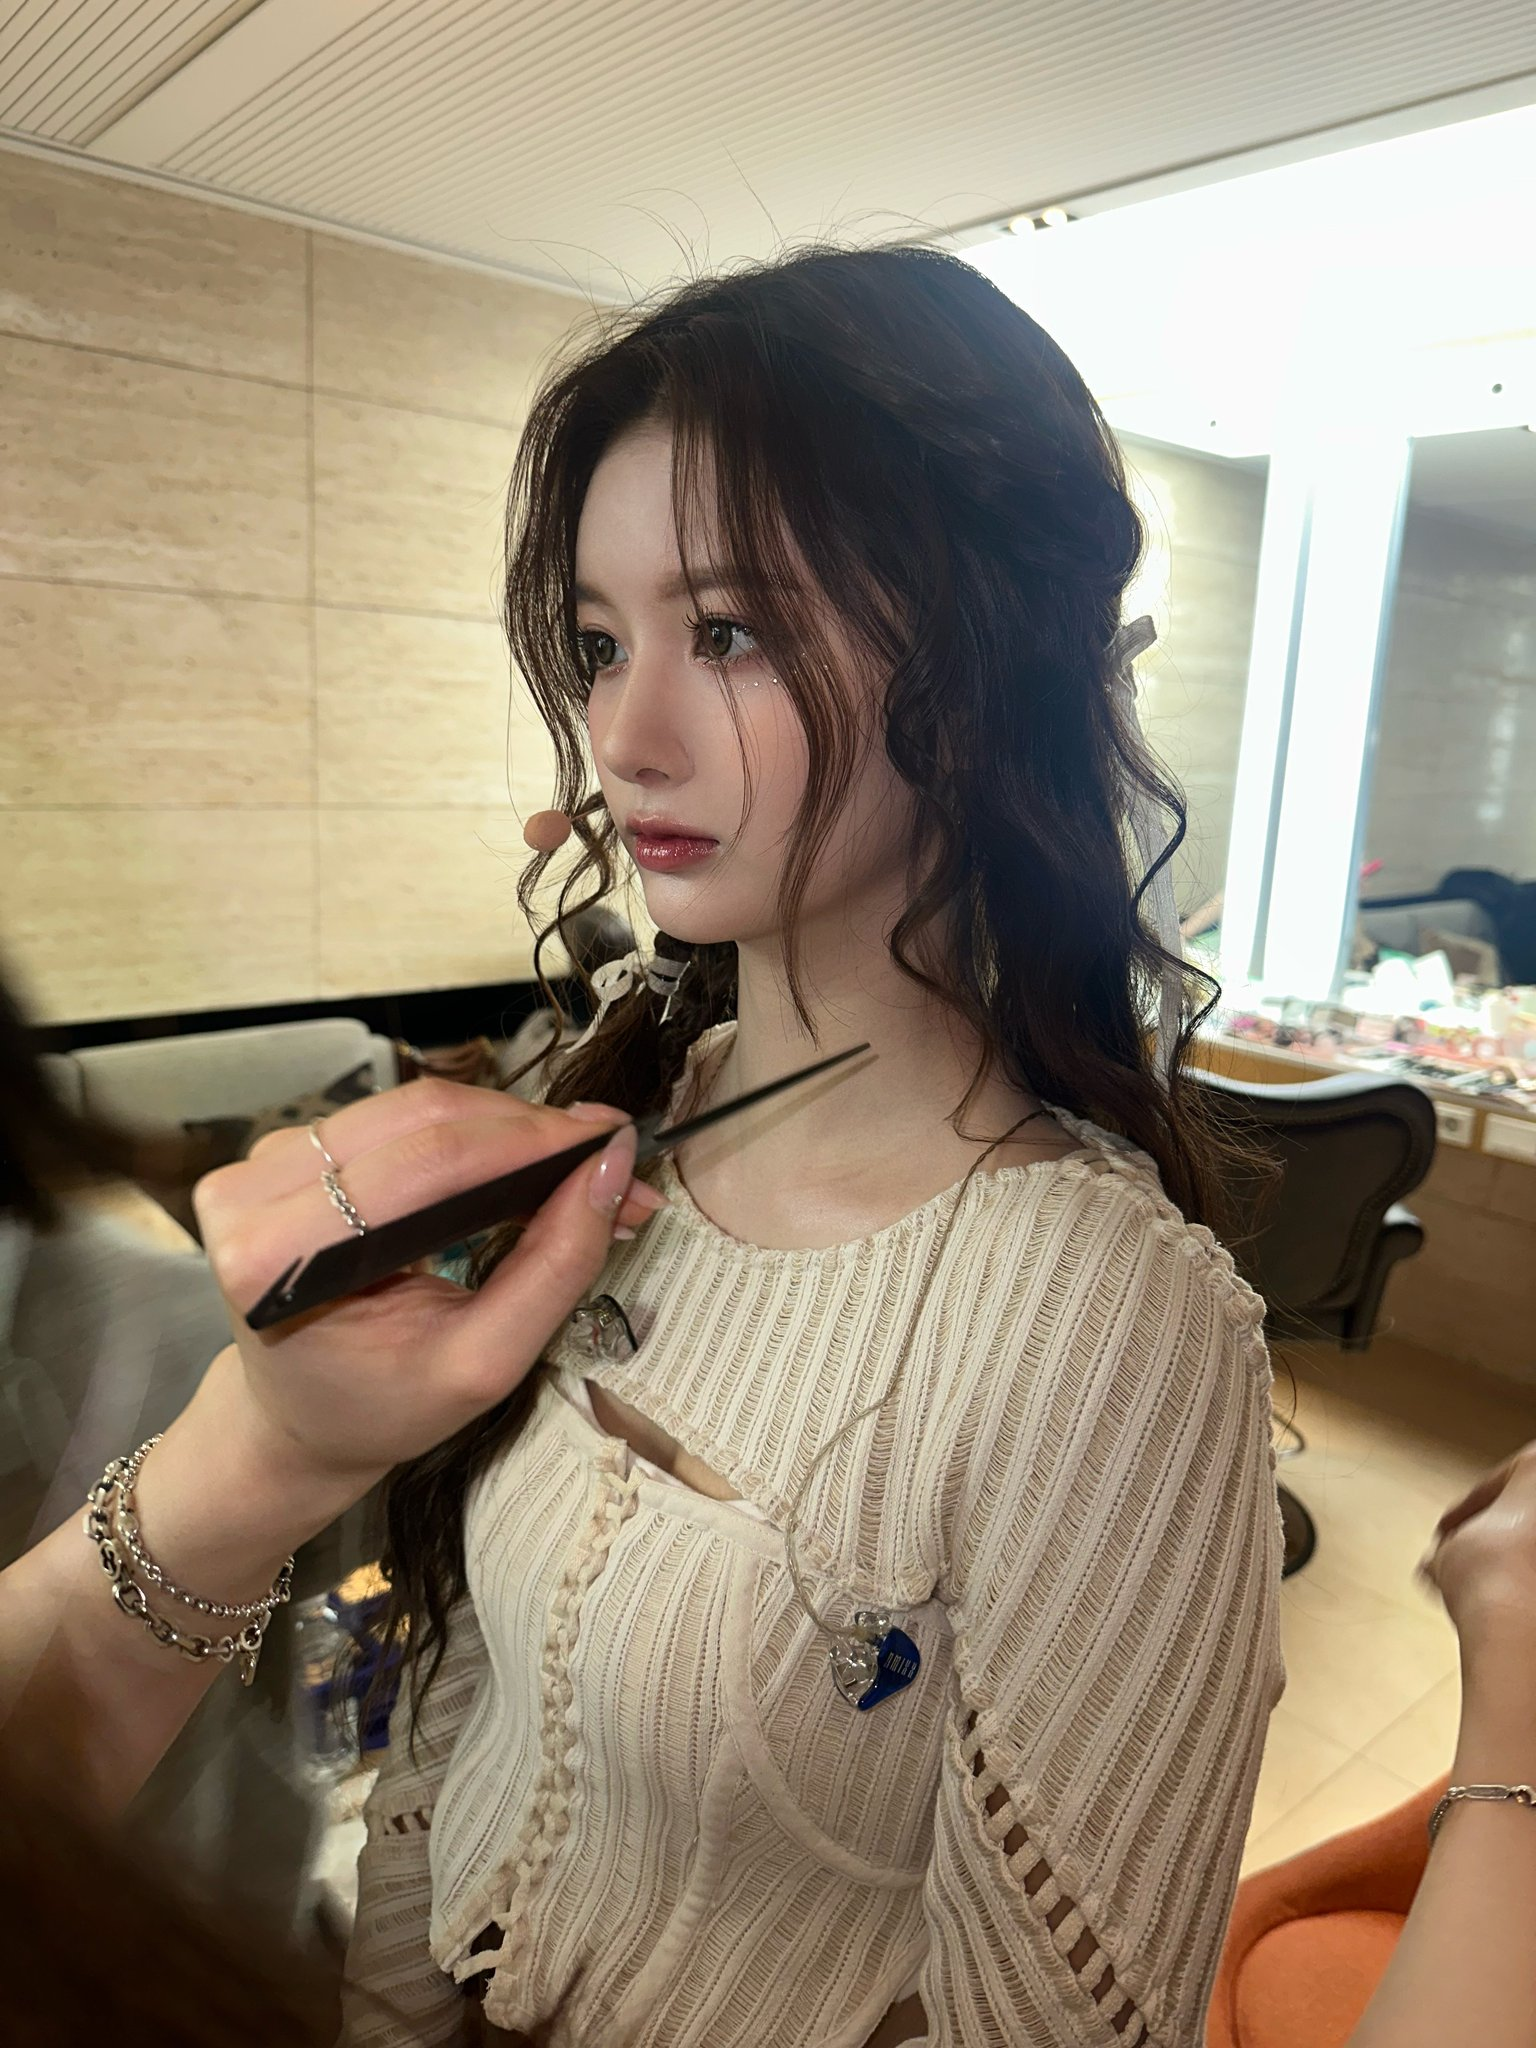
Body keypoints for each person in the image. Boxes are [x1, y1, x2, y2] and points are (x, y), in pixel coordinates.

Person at [339, 242, 1288, 2048]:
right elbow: (447, 1742)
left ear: (983, 667)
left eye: (730, 632)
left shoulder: (1105, 1328)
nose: (629, 736)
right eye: (601, 645)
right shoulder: (607, 1138)